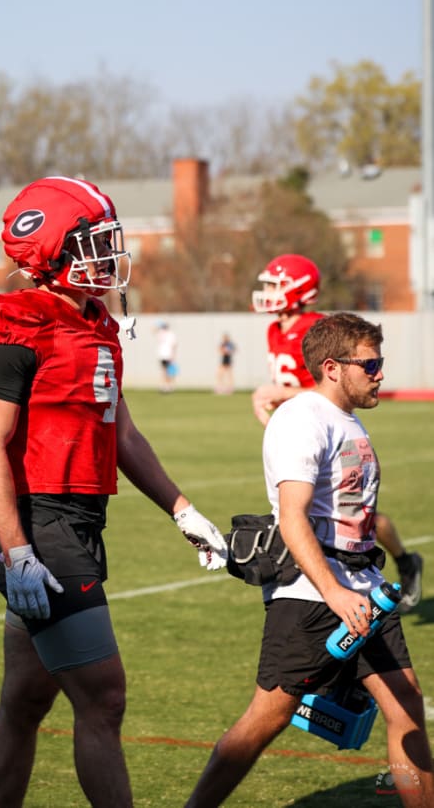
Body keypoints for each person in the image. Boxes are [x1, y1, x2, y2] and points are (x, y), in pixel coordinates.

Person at [0, 175, 227, 808]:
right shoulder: (17, 320)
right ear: (52, 253)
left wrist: (181, 508)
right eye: (93, 243)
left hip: (79, 522)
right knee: (105, 698)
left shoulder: (97, 323)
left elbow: (125, 434)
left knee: (25, 700)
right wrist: (17, 548)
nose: (108, 256)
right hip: (41, 528)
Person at [185, 312, 434, 808]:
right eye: (371, 363)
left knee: (406, 706)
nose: (380, 372)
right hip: (312, 597)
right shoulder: (302, 418)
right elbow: (293, 517)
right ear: (333, 367)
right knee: (265, 720)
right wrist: (334, 592)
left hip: (363, 591)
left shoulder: (345, 417)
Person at [251, 254, 423, 613]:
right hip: (300, 430)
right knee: (314, 510)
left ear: (299, 289)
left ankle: (402, 561)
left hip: (329, 430)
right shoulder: (273, 330)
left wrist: (281, 394)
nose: (268, 292)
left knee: (355, 516)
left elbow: (328, 387)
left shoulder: (318, 328)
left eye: (275, 285)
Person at [156, 320, 178, 392]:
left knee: (169, 371)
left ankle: (168, 386)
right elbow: (153, 331)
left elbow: (174, 345)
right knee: (164, 371)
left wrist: (173, 355)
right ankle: (165, 385)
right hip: (162, 355)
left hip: (168, 355)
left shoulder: (171, 334)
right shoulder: (161, 333)